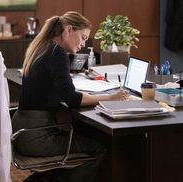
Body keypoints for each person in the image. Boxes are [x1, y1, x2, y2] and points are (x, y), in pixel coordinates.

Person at [12, 11, 129, 182]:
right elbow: (73, 100)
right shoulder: (57, 53)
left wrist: (87, 95)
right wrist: (111, 98)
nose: (83, 44)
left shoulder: (43, 47)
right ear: (68, 30)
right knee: (100, 149)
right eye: (82, 37)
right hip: (36, 136)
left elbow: (64, 92)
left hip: (22, 130)